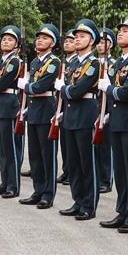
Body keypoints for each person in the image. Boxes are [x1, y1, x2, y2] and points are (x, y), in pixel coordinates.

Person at [98, 14, 128, 233]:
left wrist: (108, 88)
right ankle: (122, 211)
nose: (120, 33)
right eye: (120, 30)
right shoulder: (118, 62)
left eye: (126, 30)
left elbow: (127, 93)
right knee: (120, 169)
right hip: (116, 120)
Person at [55, 19, 101, 221]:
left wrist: (63, 89)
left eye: (82, 36)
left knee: (86, 163)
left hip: (85, 115)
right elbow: (69, 90)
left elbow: (76, 90)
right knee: (73, 162)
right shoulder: (73, 63)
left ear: (91, 41)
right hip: (71, 115)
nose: (77, 39)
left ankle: (89, 205)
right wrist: (66, 91)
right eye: (76, 36)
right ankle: (78, 200)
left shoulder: (94, 64)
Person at [17, 23, 61, 209]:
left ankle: (48, 194)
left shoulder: (54, 62)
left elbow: (39, 87)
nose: (40, 40)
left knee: (47, 155)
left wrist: (25, 86)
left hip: (46, 110)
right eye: (38, 37)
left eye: (45, 37)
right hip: (34, 111)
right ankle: (38, 190)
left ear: (52, 43)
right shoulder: (35, 62)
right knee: (34, 155)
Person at [0, 25, 23, 198]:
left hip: (9, 104)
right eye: (4, 39)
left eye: (10, 39)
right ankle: (4, 182)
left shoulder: (14, 62)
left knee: (11, 148)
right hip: (1, 104)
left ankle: (13, 186)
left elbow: (1, 84)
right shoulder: (2, 61)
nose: (5, 42)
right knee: (3, 147)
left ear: (16, 44)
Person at [96, 28, 117, 193]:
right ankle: (97, 176)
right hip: (94, 107)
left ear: (110, 44)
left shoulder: (114, 64)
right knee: (95, 144)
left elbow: (113, 89)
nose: (100, 45)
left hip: (107, 108)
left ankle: (106, 180)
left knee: (105, 146)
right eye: (99, 42)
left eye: (103, 42)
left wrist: (109, 111)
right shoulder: (94, 63)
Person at [57, 30, 77, 186]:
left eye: (71, 41)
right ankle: (66, 170)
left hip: (75, 104)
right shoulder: (64, 63)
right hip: (63, 105)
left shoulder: (78, 63)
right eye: (66, 41)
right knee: (65, 142)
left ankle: (71, 172)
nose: (68, 44)